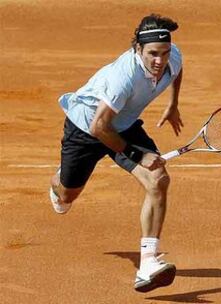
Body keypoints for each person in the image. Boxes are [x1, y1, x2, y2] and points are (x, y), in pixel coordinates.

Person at [49, 14, 183, 292]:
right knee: (66, 197)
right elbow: (100, 126)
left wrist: (173, 103)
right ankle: (61, 180)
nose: (160, 61)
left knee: (158, 179)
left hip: (125, 125)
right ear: (138, 50)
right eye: (153, 54)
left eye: (165, 53)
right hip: (86, 127)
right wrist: (137, 155)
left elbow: (177, 70)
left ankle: (148, 262)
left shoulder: (172, 57)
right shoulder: (122, 77)